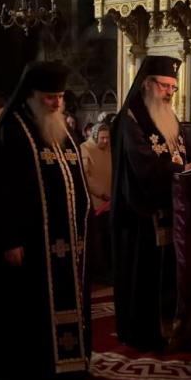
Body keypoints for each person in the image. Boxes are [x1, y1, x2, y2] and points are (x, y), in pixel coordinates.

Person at [0, 61, 91, 380]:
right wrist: (8, 239)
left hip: (66, 242)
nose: (56, 103)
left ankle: (68, 368)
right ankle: (30, 376)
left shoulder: (61, 130)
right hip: (30, 244)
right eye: (49, 97)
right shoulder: (11, 130)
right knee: (28, 311)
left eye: (60, 96)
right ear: (31, 95)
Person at [111, 55, 191, 352]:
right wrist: (183, 170)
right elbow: (141, 166)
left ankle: (176, 327)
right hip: (142, 215)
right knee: (147, 278)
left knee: (171, 274)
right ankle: (146, 333)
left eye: (173, 87)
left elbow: (185, 152)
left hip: (173, 209)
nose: (169, 93)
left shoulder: (169, 118)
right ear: (147, 84)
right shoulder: (130, 119)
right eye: (165, 86)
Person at [81, 119, 113, 284]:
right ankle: (98, 273)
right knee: (97, 240)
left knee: (108, 239)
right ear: (94, 137)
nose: (105, 141)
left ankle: (108, 270)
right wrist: (101, 193)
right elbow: (86, 176)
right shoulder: (85, 149)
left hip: (111, 202)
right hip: (96, 202)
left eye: (107, 138)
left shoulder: (109, 149)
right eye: (102, 138)